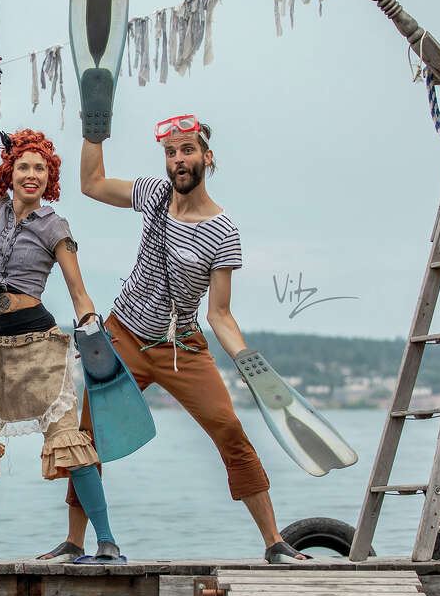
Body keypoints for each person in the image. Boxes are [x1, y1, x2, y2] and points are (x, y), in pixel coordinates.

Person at [72, 114, 308, 563]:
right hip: (123, 335)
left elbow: (220, 314)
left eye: (187, 150)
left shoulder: (223, 231)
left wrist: (246, 360)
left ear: (207, 156)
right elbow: (92, 183)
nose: (178, 160)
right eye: (170, 152)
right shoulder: (154, 194)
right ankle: (75, 542)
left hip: (182, 349)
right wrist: (93, 125)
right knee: (88, 436)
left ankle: (275, 543)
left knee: (230, 429)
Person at [0, 72, 120, 564]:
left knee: (69, 443)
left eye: (40, 168)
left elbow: (77, 288)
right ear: (11, 171)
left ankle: (105, 542)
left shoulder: (55, 224)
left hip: (40, 348)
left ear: (49, 176)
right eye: (24, 166)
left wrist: (92, 331)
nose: (32, 175)